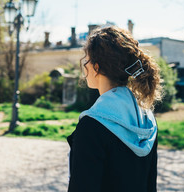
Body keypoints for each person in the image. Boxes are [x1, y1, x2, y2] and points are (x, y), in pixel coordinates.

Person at [67, 26, 162, 192]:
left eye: (86, 60)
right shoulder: (147, 121)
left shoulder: (91, 127)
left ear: (96, 67)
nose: (84, 67)